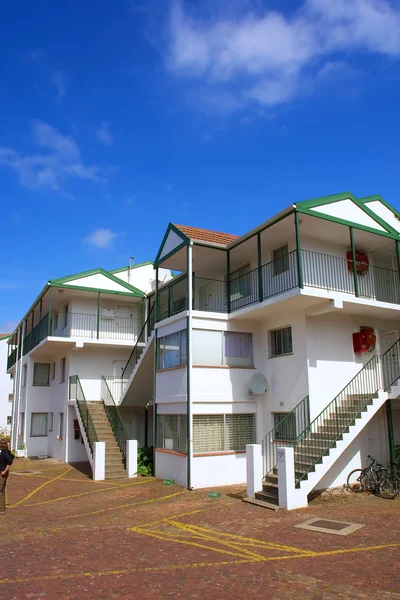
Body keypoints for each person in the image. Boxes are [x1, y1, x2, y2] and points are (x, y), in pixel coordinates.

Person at [0, 439, 14, 515]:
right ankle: (1, 509)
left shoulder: (4, 453)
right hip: (3, 472)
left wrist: (5, 470)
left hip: (2, 474)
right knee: (2, 491)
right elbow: (12, 456)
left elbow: (10, 461)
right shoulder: (7, 452)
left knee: (0, 490)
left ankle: (1, 509)